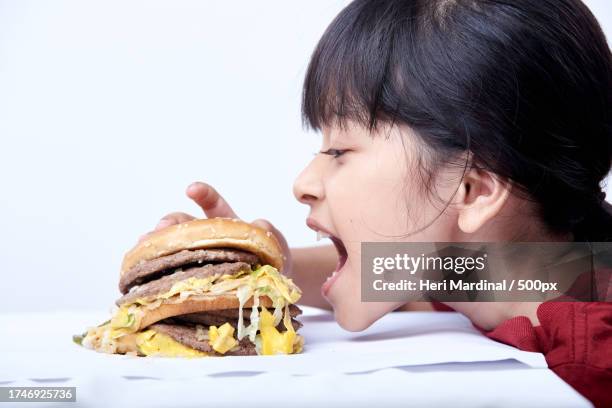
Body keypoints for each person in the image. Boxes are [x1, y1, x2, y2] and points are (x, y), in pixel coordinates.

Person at [138, 0, 612, 405]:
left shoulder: (593, 356)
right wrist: (263, 267)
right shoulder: (494, 277)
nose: (303, 183)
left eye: (340, 152)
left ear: (472, 191)